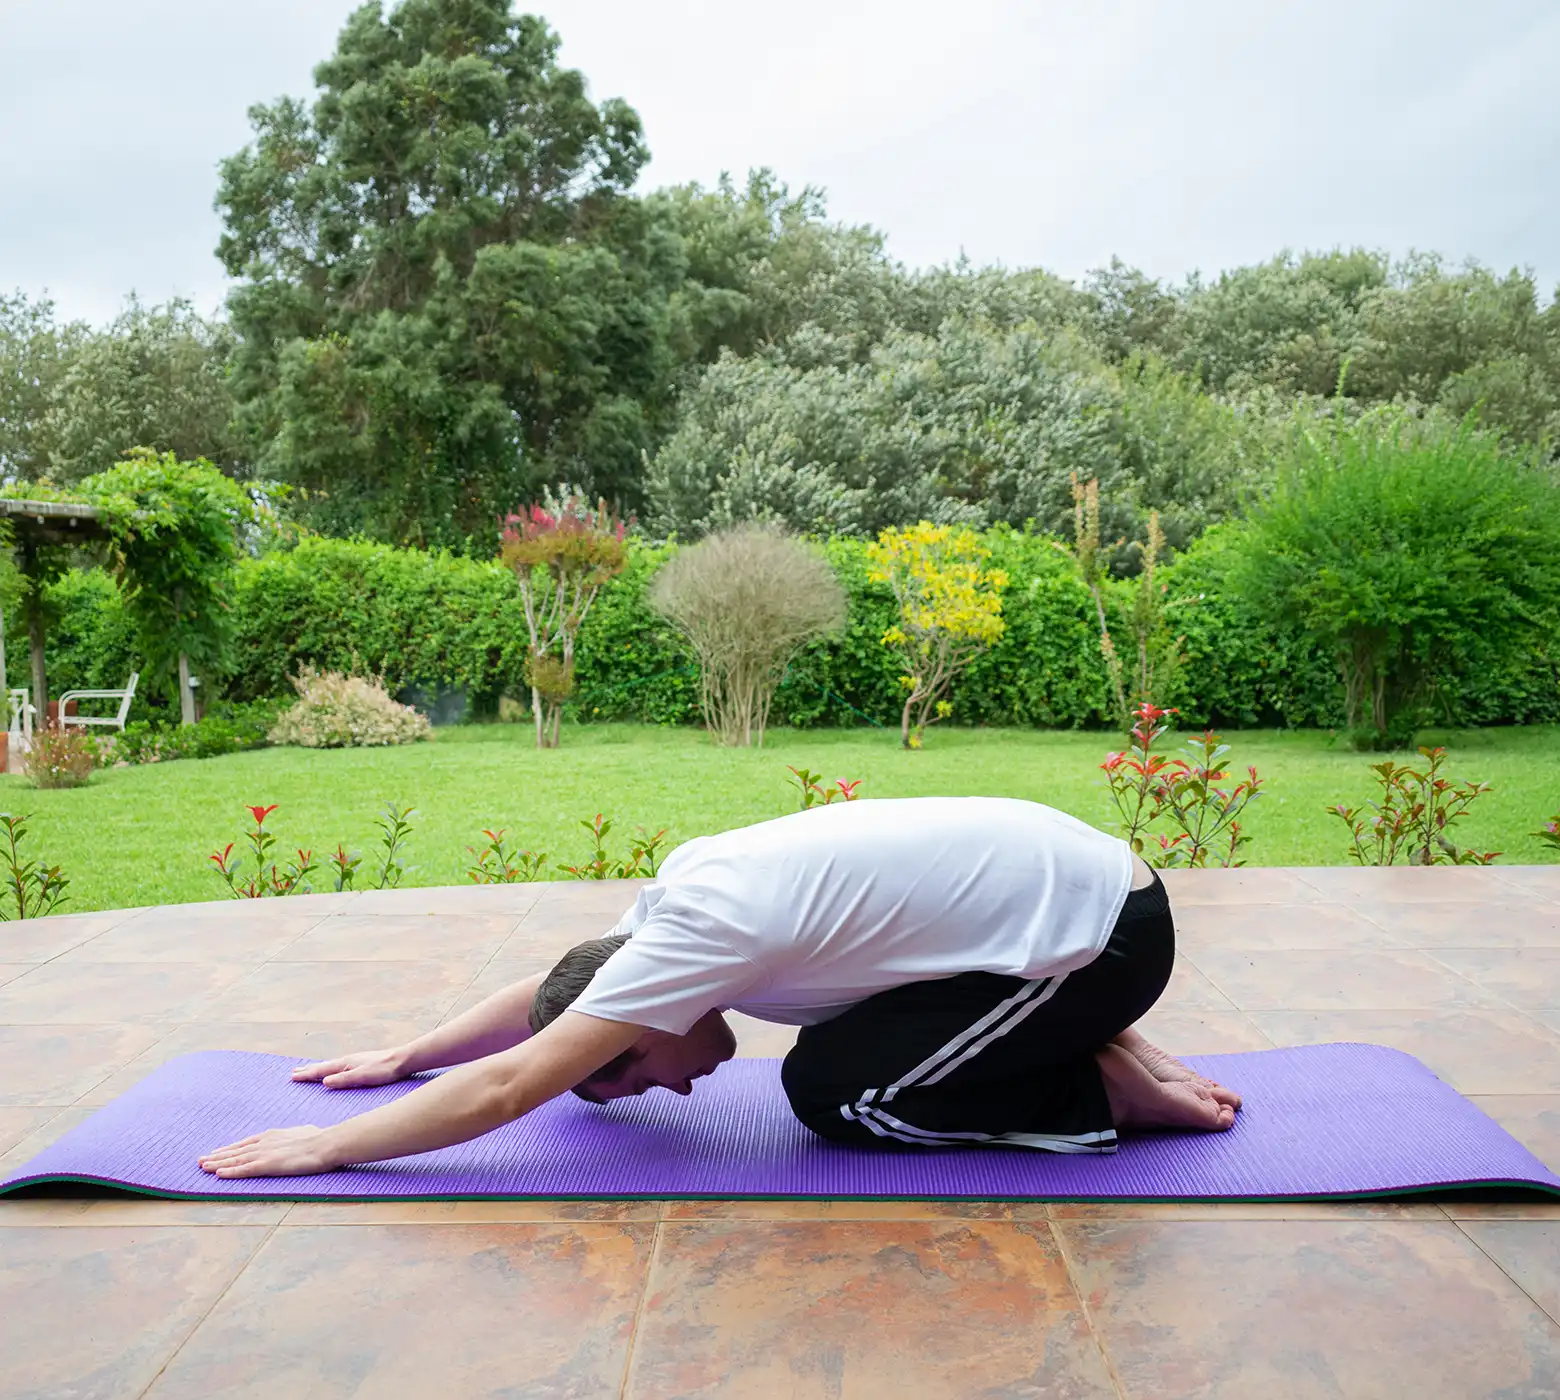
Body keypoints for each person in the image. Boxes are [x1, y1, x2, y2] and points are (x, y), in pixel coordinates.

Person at [198, 796, 1239, 1179]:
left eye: (646, 1076)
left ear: (649, 1017)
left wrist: (330, 1146)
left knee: (838, 1096)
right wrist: (411, 1053)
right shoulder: (666, 915)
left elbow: (512, 1085)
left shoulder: (699, 938)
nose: (685, 1087)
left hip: (1104, 939)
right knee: (832, 1048)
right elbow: (549, 992)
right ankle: (1081, 1038)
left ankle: (1101, 1086)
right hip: (1073, 896)